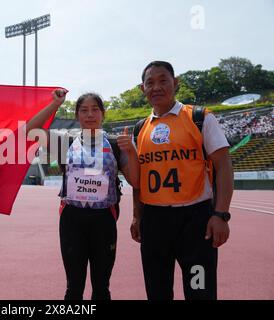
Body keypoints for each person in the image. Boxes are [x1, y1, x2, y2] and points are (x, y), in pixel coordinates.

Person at [130, 61, 234, 300]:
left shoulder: (199, 117)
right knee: (158, 292)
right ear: (142, 89)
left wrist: (221, 215)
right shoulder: (139, 129)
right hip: (154, 223)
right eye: (150, 82)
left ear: (175, 83)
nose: (156, 87)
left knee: (199, 290)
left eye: (163, 80)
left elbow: (224, 167)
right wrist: (137, 216)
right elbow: (139, 180)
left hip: (195, 223)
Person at [27, 90, 139, 300]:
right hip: (72, 220)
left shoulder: (115, 144)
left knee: (101, 286)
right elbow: (31, 130)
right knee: (74, 287)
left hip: (104, 220)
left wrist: (131, 152)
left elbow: (135, 181)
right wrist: (55, 104)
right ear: (77, 115)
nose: (90, 115)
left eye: (95, 109)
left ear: (103, 114)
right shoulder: (65, 143)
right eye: (84, 110)